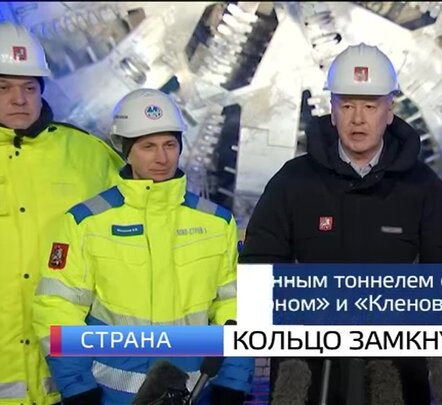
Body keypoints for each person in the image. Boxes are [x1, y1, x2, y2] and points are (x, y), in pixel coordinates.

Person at [239, 43, 442, 404]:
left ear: (389, 111)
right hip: (311, 379)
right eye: (347, 105)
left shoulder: (422, 187)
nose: (358, 119)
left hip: (399, 378)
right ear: (332, 111)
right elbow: (258, 275)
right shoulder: (292, 183)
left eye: (370, 106)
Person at [32, 89, 253, 404]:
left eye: (170, 145)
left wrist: (232, 382)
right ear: (126, 150)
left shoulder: (217, 222)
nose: (161, 158)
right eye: (148, 146)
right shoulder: (86, 222)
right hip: (110, 397)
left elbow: (236, 307)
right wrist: (78, 389)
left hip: (196, 394)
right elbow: (57, 309)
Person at [0, 22, 124, 405]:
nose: (19, 99)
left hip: (69, 380)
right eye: (3, 88)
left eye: (29, 88)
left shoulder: (90, 157)